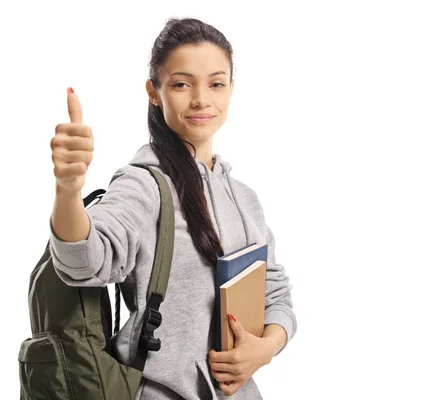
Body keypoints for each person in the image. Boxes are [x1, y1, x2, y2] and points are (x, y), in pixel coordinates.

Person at [49, 17, 297, 400]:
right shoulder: (144, 185)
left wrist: (265, 348)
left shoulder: (245, 198)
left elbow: (276, 295)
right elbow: (84, 261)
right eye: (181, 84)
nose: (201, 99)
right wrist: (68, 189)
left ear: (231, 89)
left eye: (216, 83)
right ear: (154, 91)